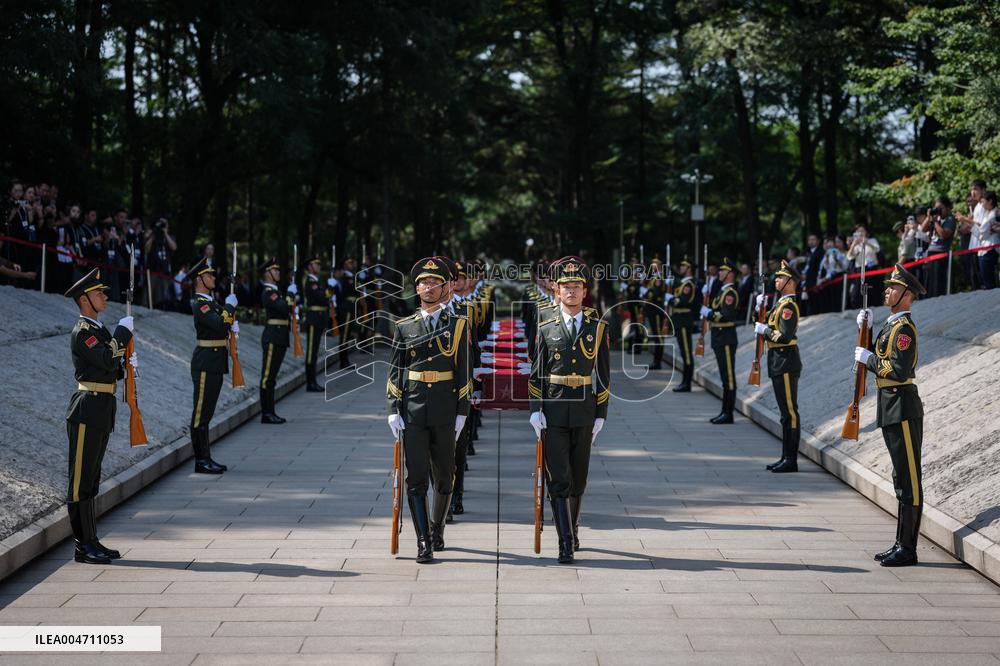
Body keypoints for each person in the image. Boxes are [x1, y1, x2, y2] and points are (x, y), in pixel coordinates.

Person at [386, 258, 471, 563]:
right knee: (416, 477)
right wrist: (393, 409)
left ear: (446, 287)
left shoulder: (458, 325)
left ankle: (437, 527)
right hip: (414, 409)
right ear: (417, 288)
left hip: (446, 409)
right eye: (424, 283)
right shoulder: (404, 326)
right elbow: (396, 371)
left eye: (436, 283)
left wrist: (463, 410)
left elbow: (464, 372)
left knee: (446, 477)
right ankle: (424, 540)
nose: (429, 287)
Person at [528, 259, 610, 564]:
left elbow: (603, 374)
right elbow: (536, 373)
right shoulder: (546, 326)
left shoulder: (597, 327)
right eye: (566, 287)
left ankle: (573, 526)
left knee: (579, 479)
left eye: (576, 286)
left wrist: (601, 413)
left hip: (585, 410)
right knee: (558, 479)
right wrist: (535, 409)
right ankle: (564, 540)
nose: (571, 291)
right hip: (554, 409)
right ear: (556, 290)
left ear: (584, 291)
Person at [854, 263, 926, 567]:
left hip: (903, 406)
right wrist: (865, 330)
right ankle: (900, 542)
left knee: (909, 478)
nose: (887, 290)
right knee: (900, 477)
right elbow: (879, 354)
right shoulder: (891, 325)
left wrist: (869, 358)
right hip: (890, 405)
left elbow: (897, 370)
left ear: (906, 294)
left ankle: (908, 549)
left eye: (894, 287)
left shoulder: (904, 329)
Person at [63, 268, 134, 564]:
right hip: (86, 408)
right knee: (80, 480)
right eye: (98, 293)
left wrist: (126, 362)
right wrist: (122, 334)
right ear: (84, 299)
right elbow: (105, 357)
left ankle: (92, 540)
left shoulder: (99, 330)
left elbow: (111, 367)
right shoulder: (83, 332)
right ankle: (82, 545)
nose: (104, 296)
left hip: (102, 407)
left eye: (103, 292)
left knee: (92, 479)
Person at [753, 261, 803, 473]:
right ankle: (785, 456)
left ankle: (791, 459)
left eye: (781, 277)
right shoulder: (780, 304)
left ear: (790, 282)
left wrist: (765, 331)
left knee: (790, 412)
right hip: (777, 361)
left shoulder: (789, 306)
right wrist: (759, 309)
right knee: (784, 413)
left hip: (785, 361)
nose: (776, 280)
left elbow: (785, 336)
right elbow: (767, 325)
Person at [188, 257, 237, 474]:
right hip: (206, 362)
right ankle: (201, 460)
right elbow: (219, 324)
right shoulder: (201, 304)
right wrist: (229, 306)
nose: (213, 277)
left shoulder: (211, 303)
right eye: (209, 275)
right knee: (201, 414)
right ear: (200, 279)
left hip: (215, 362)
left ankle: (206, 457)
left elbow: (224, 324)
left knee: (207, 413)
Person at [699, 257, 739, 424]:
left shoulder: (730, 293)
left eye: (723, 270)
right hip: (719, 338)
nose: (719, 272)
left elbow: (726, 315)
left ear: (730, 274)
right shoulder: (722, 291)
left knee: (728, 377)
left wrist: (708, 313)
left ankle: (728, 413)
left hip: (726, 337)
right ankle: (724, 411)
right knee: (724, 376)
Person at [259, 258, 292, 424]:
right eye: (275, 270)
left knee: (272, 377)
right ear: (268, 273)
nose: (278, 273)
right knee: (267, 376)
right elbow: (285, 308)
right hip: (272, 336)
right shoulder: (268, 292)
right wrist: (291, 296)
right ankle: (266, 413)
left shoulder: (276, 291)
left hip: (280, 336)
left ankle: (271, 411)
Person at [666, 256, 697, 392]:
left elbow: (681, 301)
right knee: (683, 352)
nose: (681, 268)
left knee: (686, 352)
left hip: (684, 321)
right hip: (679, 320)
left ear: (689, 269)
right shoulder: (682, 284)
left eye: (684, 266)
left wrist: (671, 299)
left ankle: (687, 382)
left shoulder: (688, 285)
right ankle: (685, 381)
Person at [302, 256, 329, 392]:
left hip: (318, 319)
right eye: (315, 264)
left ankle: (312, 381)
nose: (318, 266)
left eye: (319, 264)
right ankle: (310, 382)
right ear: (309, 267)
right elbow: (322, 297)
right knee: (311, 351)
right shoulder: (311, 282)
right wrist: (329, 290)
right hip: (313, 319)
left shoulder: (317, 281)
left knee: (314, 352)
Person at [922, 197, 955, 297]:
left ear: (948, 208)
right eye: (936, 208)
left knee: (938, 282)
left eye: (941, 208)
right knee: (930, 282)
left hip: (941, 254)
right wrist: (929, 217)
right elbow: (923, 229)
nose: (939, 210)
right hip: (931, 253)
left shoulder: (950, 219)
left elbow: (944, 235)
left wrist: (936, 222)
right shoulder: (936, 218)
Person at [955, 179, 985, 291]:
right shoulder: (977, 207)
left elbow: (981, 225)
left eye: (975, 189)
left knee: (983, 280)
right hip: (974, 246)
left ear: (983, 190)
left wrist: (964, 219)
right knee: (974, 277)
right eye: (971, 189)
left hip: (982, 246)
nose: (973, 192)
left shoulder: (983, 205)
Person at [976, 190, 999, 290]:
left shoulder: (995, 214)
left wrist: (968, 222)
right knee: (985, 277)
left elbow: (982, 232)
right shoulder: (987, 214)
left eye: (983, 201)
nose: (982, 204)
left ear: (990, 201)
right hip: (984, 248)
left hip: (991, 247)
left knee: (988, 278)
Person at [802, 233, 823, 316]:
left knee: (816, 300)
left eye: (813, 239)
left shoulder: (820, 252)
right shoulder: (806, 252)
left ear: (818, 241)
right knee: (809, 300)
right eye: (809, 240)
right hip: (807, 280)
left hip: (815, 279)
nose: (811, 242)